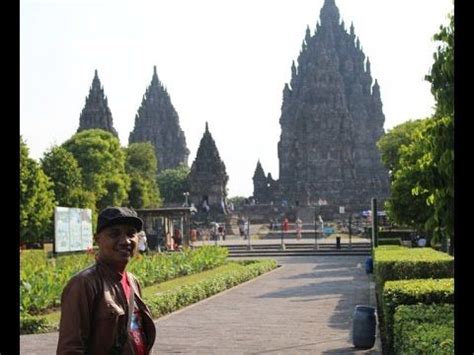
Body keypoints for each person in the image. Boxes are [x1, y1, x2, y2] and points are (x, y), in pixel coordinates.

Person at [57, 207, 156, 354]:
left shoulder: (133, 281)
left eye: (131, 234)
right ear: (97, 239)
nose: (125, 241)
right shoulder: (84, 284)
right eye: (114, 234)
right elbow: (70, 349)